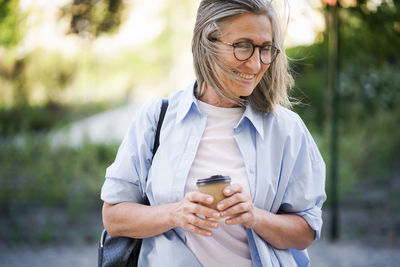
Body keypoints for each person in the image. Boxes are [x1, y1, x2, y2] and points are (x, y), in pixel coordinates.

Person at [101, 0, 326, 266]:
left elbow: (306, 232)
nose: (255, 64)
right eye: (243, 46)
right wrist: (175, 214)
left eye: (265, 49)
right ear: (207, 43)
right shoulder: (156, 119)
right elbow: (113, 218)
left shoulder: (287, 130)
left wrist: (255, 216)